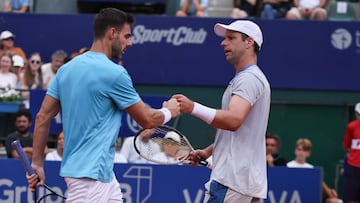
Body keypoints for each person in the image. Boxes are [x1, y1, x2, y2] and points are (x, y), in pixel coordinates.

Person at [26, 8, 180, 202]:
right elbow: (148, 120)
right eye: (127, 36)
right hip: (90, 179)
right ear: (112, 33)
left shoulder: (65, 70)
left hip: (102, 175)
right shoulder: (115, 73)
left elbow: (42, 117)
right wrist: (169, 111)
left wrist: (37, 164)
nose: (130, 43)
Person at [173, 19, 270, 202]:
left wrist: (192, 107)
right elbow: (242, 132)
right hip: (243, 181)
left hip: (232, 181)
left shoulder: (249, 79)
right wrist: (210, 151)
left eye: (231, 38)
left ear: (249, 42)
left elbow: (234, 120)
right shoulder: (247, 78)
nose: (223, 43)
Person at [287, 138, 342, 203]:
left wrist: (330, 192)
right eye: (299, 149)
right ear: (295, 151)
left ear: (309, 153)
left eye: (304, 150)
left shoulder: (311, 169)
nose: (301, 152)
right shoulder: (288, 166)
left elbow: (319, 185)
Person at [342, 102, 360, 203]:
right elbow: (346, 146)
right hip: (353, 166)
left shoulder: (351, 126)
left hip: (353, 168)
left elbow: (346, 146)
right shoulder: (351, 127)